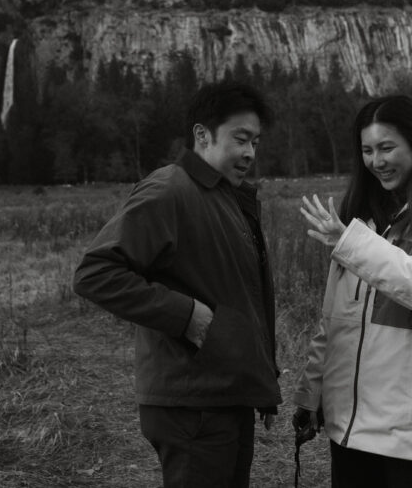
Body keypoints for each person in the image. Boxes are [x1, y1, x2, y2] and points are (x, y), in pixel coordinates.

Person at [73, 81, 281, 488]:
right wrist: (188, 317)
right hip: (192, 404)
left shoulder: (226, 196)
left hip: (224, 395)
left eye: (255, 142)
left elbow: (237, 296)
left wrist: (259, 380)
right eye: (241, 139)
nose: (250, 154)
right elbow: (95, 273)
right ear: (202, 135)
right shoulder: (170, 188)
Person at [291, 95, 412, 488]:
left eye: (386, 147)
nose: (376, 161)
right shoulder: (363, 220)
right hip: (348, 430)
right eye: (367, 150)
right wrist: (312, 390)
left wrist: (353, 243)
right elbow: (334, 320)